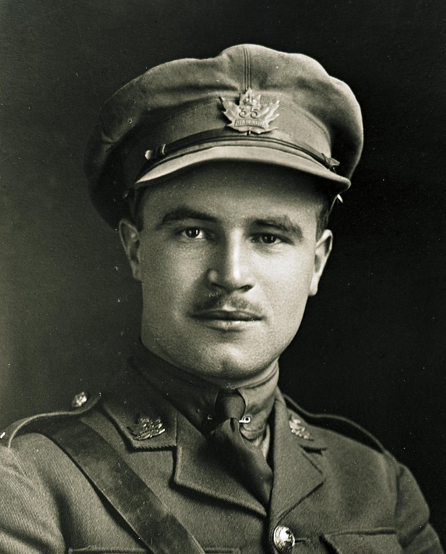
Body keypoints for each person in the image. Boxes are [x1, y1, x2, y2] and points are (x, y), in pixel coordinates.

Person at [0, 44, 442, 554]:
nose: (231, 276)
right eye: (193, 232)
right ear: (136, 249)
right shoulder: (30, 483)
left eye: (269, 237)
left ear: (317, 263)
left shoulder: (381, 487)